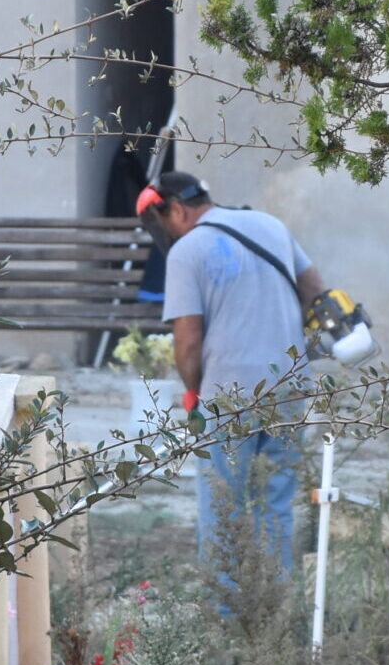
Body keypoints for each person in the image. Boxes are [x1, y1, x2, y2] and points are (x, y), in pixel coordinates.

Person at [135, 172, 326, 576]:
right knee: (276, 507)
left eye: (163, 220)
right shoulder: (270, 225)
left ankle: (225, 618)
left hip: (226, 395)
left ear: (177, 209)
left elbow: (187, 341)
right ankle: (276, 611)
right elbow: (314, 289)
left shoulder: (188, 251)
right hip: (289, 389)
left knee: (223, 508)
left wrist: (192, 393)